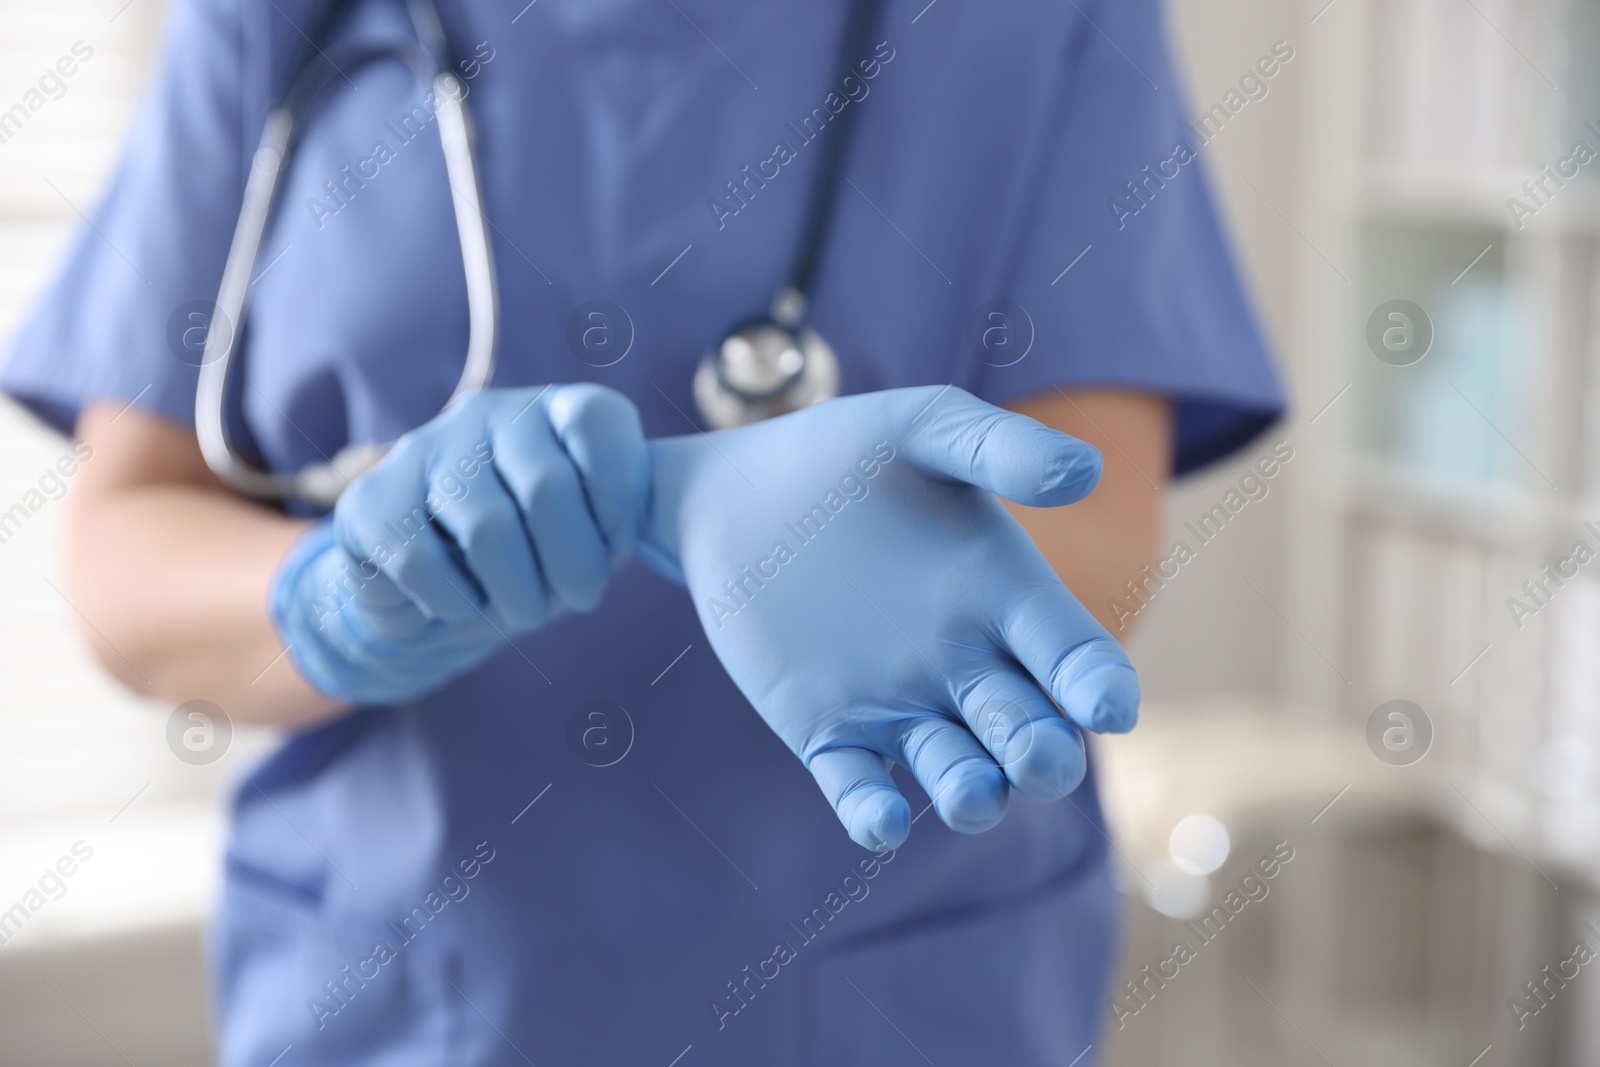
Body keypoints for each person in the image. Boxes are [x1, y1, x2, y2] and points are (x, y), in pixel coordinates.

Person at [2, 0, 1282, 1062]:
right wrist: (333, 601)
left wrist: (885, 545)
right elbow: (126, 545)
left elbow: (1092, 529)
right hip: (403, 997)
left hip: (889, 994)